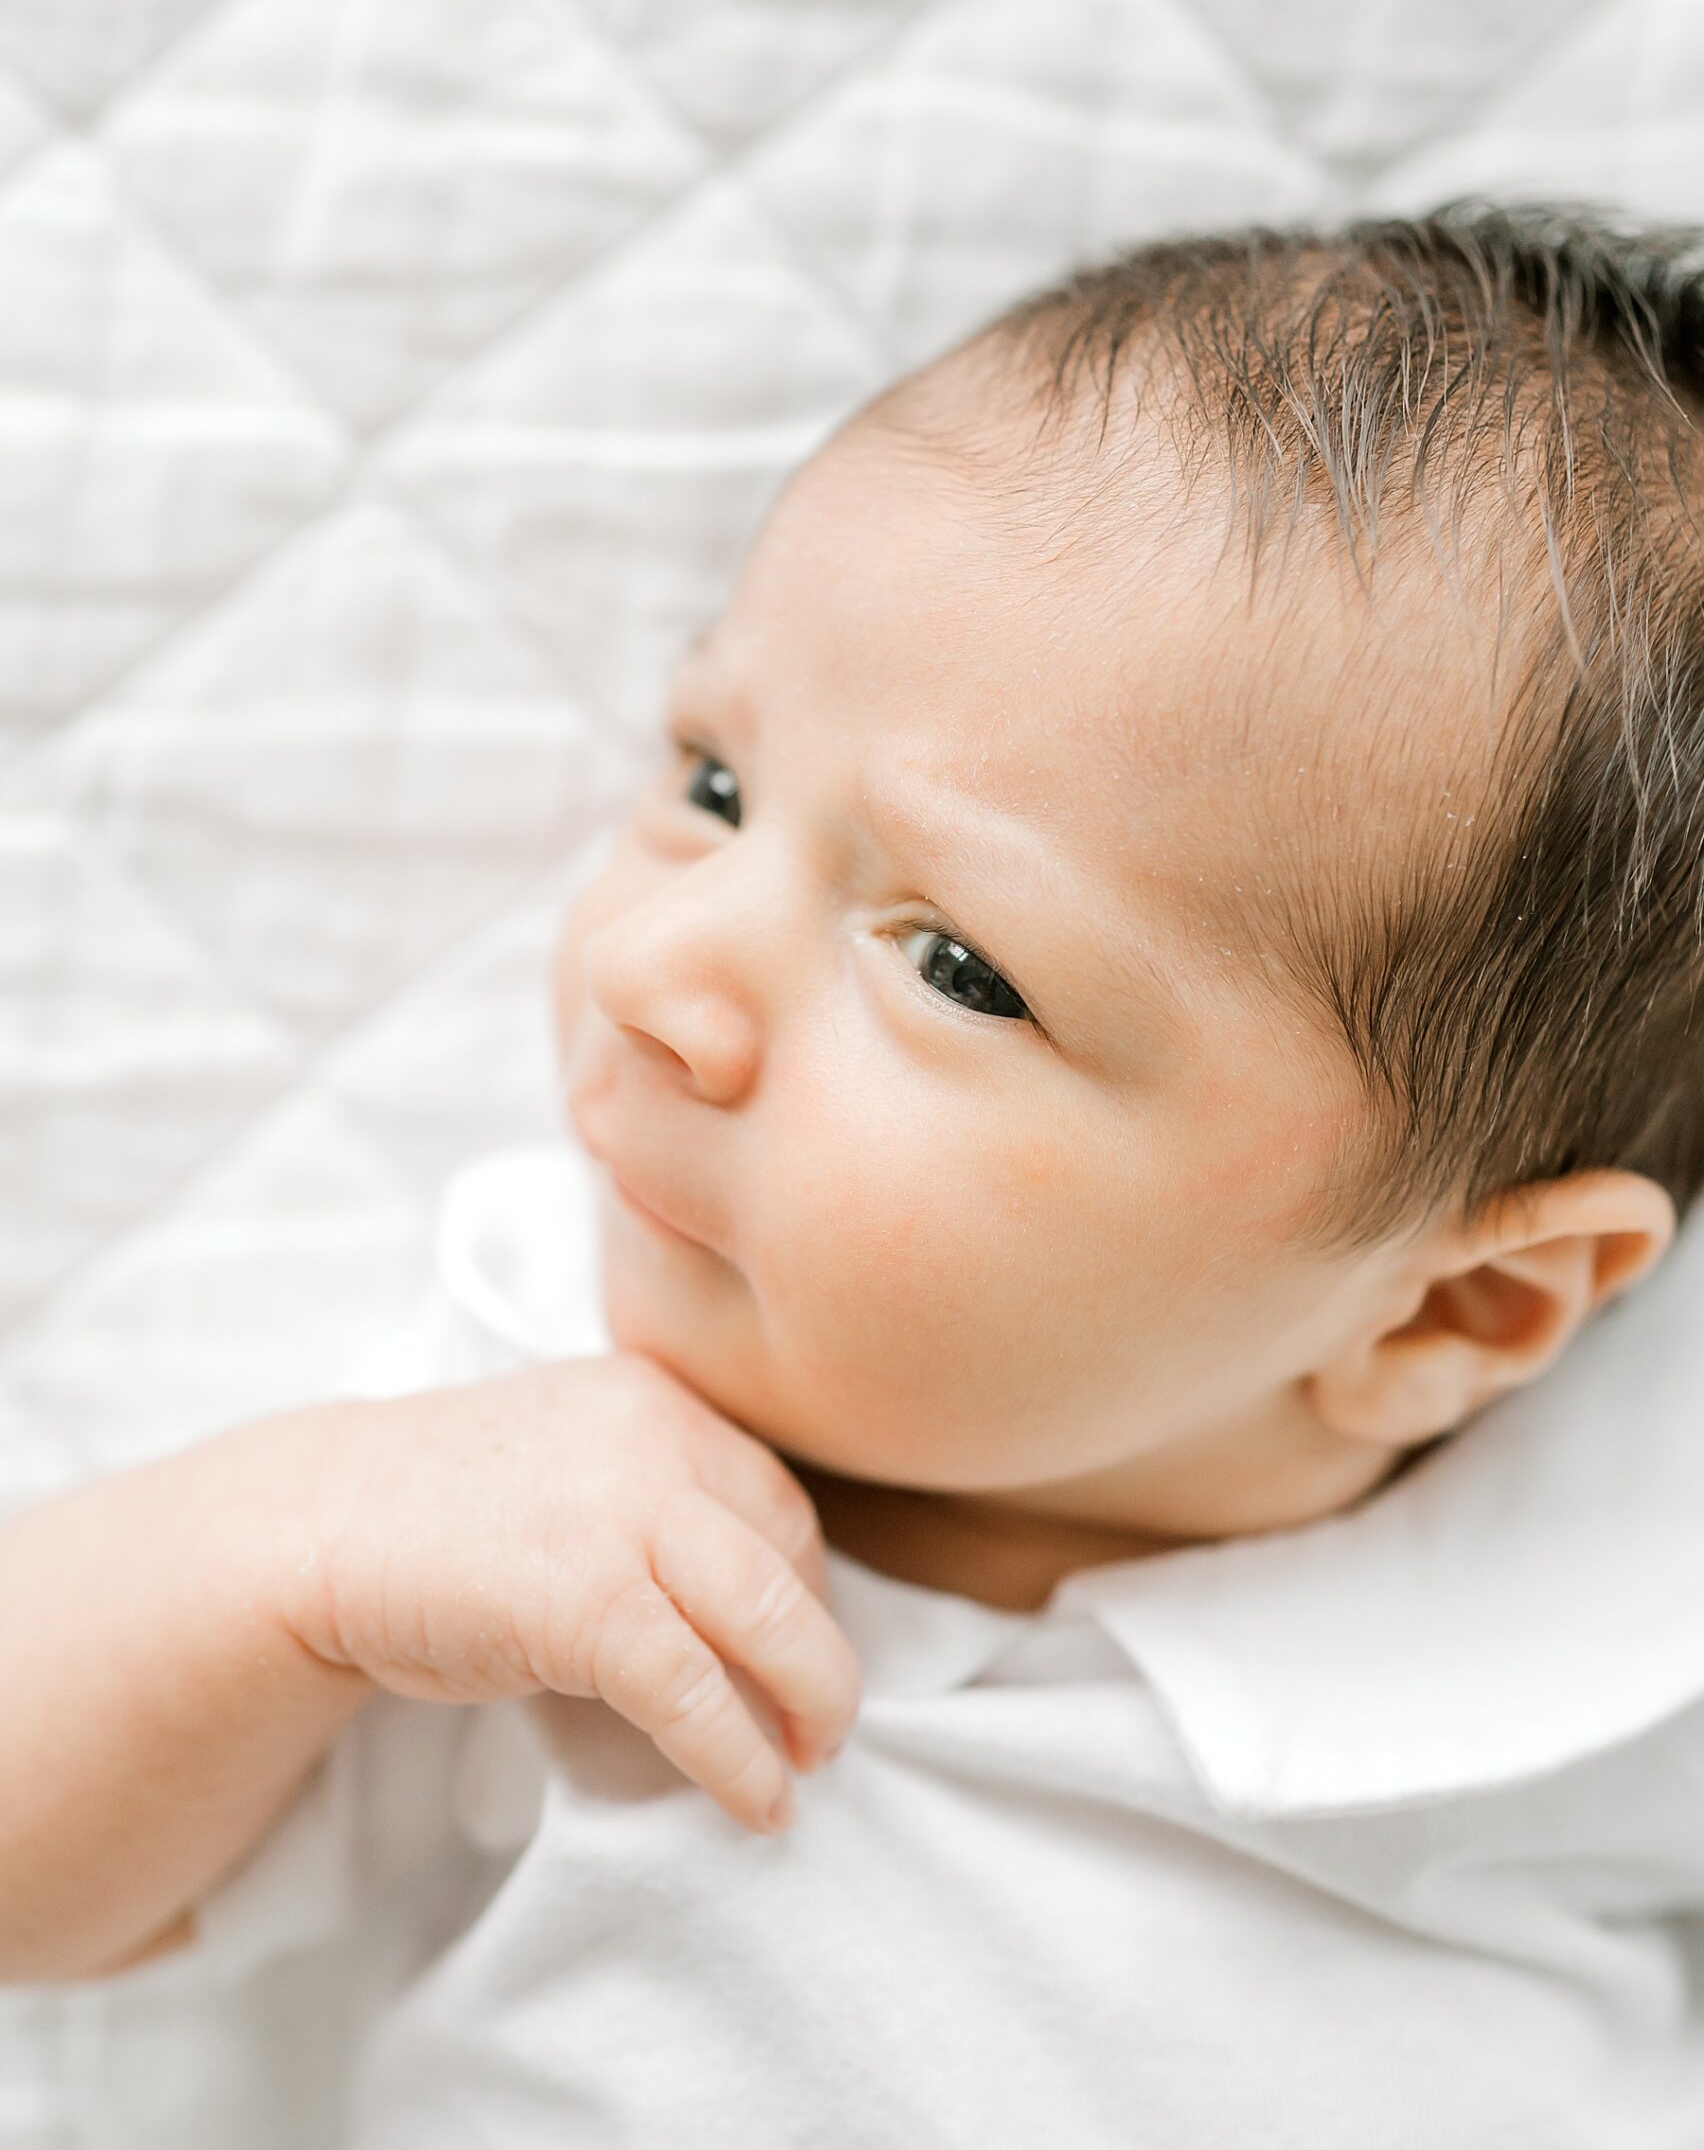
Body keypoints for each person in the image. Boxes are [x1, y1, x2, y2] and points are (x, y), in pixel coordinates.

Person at [7, 202, 1704, 2143]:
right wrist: (288, 1561)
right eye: (713, 781)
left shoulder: (1622, 1609)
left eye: (958, 965)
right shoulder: (538, 1499)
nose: (655, 977)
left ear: (1460, 1303)